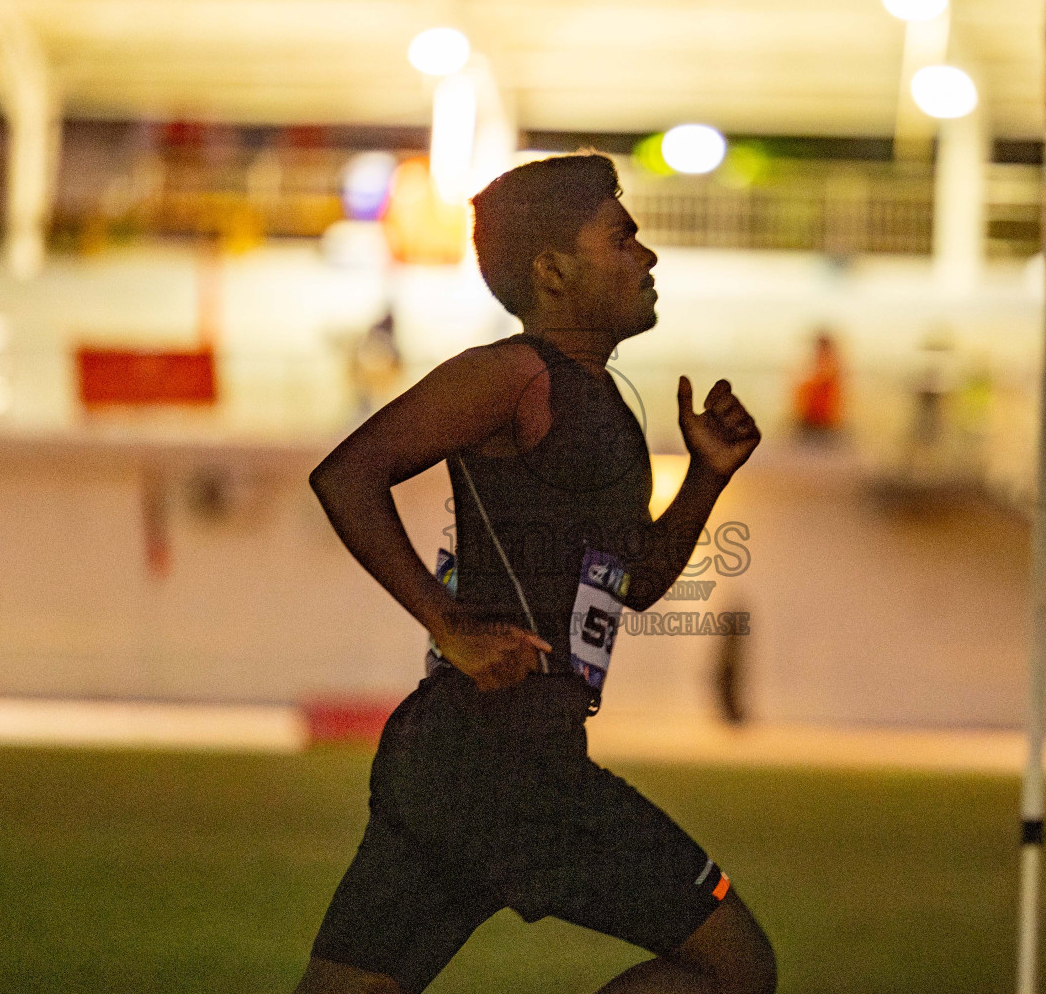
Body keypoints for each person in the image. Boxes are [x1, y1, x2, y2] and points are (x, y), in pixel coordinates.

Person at [303, 154, 775, 994]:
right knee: (735, 966)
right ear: (553, 272)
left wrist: (707, 476)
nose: (647, 257)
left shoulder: (609, 410)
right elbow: (347, 475)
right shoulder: (511, 375)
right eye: (623, 238)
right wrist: (445, 623)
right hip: (505, 763)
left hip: (461, 763)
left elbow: (634, 585)